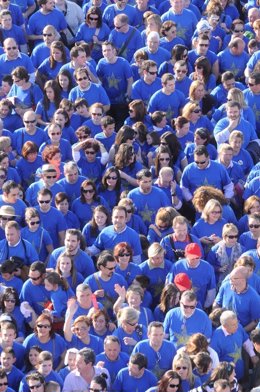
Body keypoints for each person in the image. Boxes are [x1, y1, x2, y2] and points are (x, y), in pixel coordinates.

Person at [210, 310, 258, 381]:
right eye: (233, 325)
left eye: (237, 323)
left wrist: (252, 355)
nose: (237, 326)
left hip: (241, 374)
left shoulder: (239, 327)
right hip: (227, 379)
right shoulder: (215, 339)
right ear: (224, 325)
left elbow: (246, 341)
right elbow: (214, 363)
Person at [167, 243, 216, 308]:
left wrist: (205, 306)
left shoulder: (208, 268)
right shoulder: (177, 266)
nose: (195, 260)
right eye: (192, 258)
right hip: (178, 306)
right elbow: (169, 286)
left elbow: (211, 290)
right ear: (186, 255)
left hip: (198, 306)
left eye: (197, 258)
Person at [97, 41, 133, 128]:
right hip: (108, 102)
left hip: (121, 101)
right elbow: (99, 80)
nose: (106, 53)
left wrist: (128, 94)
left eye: (109, 50)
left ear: (114, 51)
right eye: (104, 51)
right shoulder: (101, 63)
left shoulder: (123, 63)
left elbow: (130, 80)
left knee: (121, 125)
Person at [214, 266, 260, 331]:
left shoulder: (254, 297)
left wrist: (240, 332)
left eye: (234, 278)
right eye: (230, 278)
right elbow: (217, 303)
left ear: (243, 280)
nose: (230, 281)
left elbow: (255, 321)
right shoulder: (225, 286)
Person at [84, 251, 127, 316]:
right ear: (101, 267)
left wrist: (122, 295)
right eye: (110, 268)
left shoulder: (119, 279)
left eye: (114, 268)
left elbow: (127, 298)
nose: (113, 270)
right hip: (97, 317)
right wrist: (94, 296)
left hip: (116, 315)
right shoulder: (89, 281)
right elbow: (82, 300)